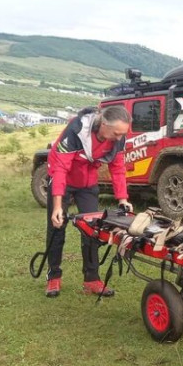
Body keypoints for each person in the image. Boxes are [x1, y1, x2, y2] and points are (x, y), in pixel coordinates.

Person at [44, 105, 133, 298]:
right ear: (103, 124)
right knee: (57, 227)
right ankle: (53, 276)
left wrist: (123, 199)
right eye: (116, 133)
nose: (119, 138)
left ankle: (91, 279)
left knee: (92, 229)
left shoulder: (118, 138)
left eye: (122, 134)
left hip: (87, 182)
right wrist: (58, 206)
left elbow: (118, 169)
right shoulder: (75, 130)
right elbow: (60, 169)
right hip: (63, 178)